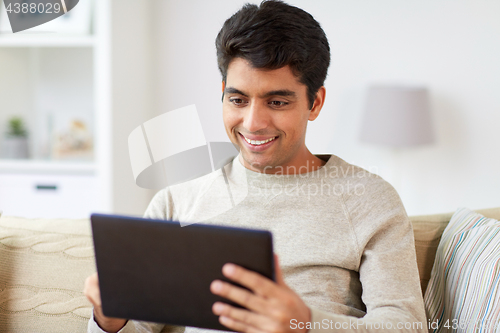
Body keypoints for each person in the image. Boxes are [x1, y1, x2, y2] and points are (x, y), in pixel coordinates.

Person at [85, 1, 427, 332]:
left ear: (315, 102)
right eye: (238, 100)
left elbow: (406, 327)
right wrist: (109, 322)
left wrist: (304, 324)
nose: (253, 123)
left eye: (277, 102)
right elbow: (138, 326)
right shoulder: (175, 204)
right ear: (223, 93)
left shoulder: (368, 200)